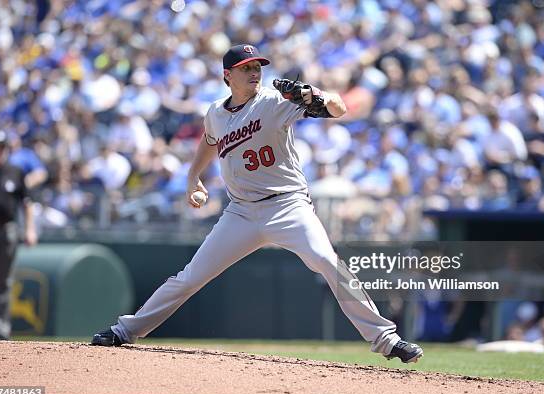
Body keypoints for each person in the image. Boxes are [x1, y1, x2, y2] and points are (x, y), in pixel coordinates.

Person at [91, 45, 423, 363]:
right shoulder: (216, 113)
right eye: (246, 68)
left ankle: (386, 339)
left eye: (257, 67)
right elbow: (210, 141)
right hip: (241, 213)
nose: (254, 72)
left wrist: (316, 95)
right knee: (190, 277)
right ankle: (125, 330)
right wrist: (194, 176)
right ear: (227, 75)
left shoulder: (276, 101)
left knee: (327, 261)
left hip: (288, 206)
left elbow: (339, 108)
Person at [0, 130, 38, 339]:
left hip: (7, 230)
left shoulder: (14, 171)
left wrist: (30, 228)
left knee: (3, 282)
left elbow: (27, 203)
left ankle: (0, 334)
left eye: (2, 148)